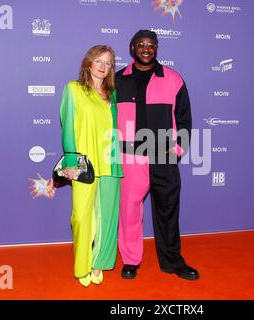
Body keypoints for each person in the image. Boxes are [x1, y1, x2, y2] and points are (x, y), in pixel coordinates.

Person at [115, 30, 199, 280]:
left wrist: (177, 150)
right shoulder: (117, 80)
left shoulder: (173, 79)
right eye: (140, 44)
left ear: (157, 48)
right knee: (129, 212)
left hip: (163, 157)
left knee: (168, 212)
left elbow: (184, 120)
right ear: (132, 48)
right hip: (130, 158)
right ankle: (130, 260)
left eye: (150, 45)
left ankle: (172, 261)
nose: (145, 48)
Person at [59, 45, 123, 287]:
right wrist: (72, 162)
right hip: (84, 164)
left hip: (111, 162)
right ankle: (82, 265)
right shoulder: (73, 90)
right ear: (88, 63)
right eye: (99, 61)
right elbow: (67, 130)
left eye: (108, 63)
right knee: (82, 217)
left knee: (108, 217)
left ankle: (99, 264)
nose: (103, 67)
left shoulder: (113, 94)